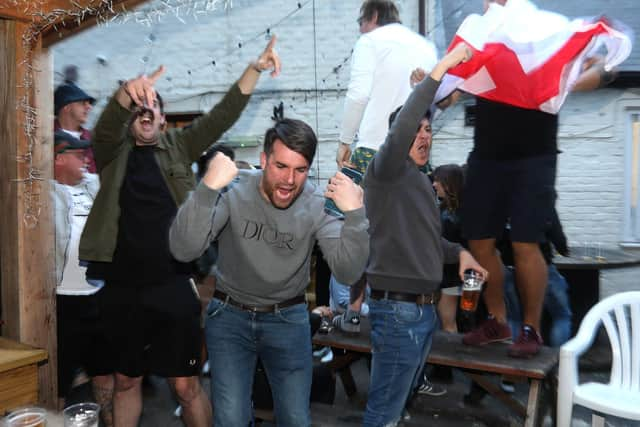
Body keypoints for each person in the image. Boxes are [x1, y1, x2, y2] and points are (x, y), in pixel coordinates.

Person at [78, 37, 282, 427]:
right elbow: (105, 125)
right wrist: (126, 92)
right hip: (121, 289)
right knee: (125, 382)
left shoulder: (178, 146)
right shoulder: (111, 152)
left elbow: (222, 115)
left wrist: (254, 69)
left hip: (172, 284)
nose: (146, 110)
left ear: (162, 117)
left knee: (186, 387)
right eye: (139, 106)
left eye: (152, 105)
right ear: (130, 117)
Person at [168, 116, 369, 426]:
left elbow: (347, 271)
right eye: (280, 166)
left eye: (300, 169)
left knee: (295, 419)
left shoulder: (316, 202)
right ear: (264, 160)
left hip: (288, 320)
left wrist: (355, 214)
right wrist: (207, 188)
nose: (289, 180)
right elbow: (183, 249)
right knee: (231, 419)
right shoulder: (233, 190)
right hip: (230, 317)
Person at [460, 0, 615, 358]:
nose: (487, 4)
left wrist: (564, 82)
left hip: (534, 156)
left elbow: (607, 71)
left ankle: (530, 328)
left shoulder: (547, 31)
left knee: (525, 242)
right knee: (479, 240)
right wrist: (432, 80)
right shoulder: (485, 35)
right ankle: (498, 321)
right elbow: (456, 85)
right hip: (487, 155)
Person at [362, 44, 487, 426]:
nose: (423, 135)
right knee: (383, 413)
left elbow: (429, 242)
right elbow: (404, 124)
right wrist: (444, 67)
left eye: (429, 129)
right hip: (399, 310)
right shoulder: (386, 171)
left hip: (423, 310)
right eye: (416, 129)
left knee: (396, 407)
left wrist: (461, 253)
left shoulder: (419, 183)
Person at [331, 0, 438, 331]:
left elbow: (359, 94)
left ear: (373, 17)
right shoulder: (425, 45)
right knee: (404, 237)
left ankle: (349, 313)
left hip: (372, 152)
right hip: (414, 160)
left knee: (349, 236)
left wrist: (344, 141)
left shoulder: (370, 41)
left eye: (361, 22)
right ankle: (395, 322)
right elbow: (436, 100)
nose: (360, 29)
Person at [52, 131, 114, 426]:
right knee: (60, 380)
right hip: (63, 301)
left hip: (98, 296)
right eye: (78, 155)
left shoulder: (92, 187)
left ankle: (110, 422)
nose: (84, 160)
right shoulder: (45, 194)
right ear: (59, 159)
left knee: (104, 371)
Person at [54, 80, 97, 173]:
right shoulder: (45, 137)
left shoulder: (93, 138)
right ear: (66, 107)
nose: (89, 107)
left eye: (89, 103)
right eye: (82, 103)